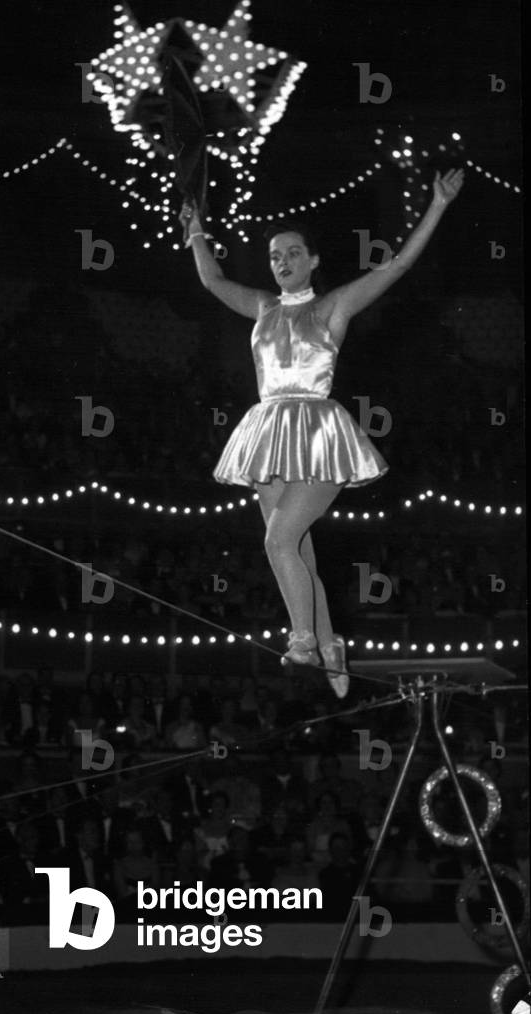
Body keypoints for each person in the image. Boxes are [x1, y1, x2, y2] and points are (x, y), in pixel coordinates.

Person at [181, 168, 464, 697]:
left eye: (291, 253)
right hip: (267, 430)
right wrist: (196, 232)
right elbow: (213, 282)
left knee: (279, 539)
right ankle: (331, 644)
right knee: (298, 549)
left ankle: (305, 637)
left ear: (312, 260)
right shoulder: (263, 308)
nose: (281, 262)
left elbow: (399, 264)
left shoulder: (332, 306)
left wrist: (438, 206)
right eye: (274, 256)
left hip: (318, 431)